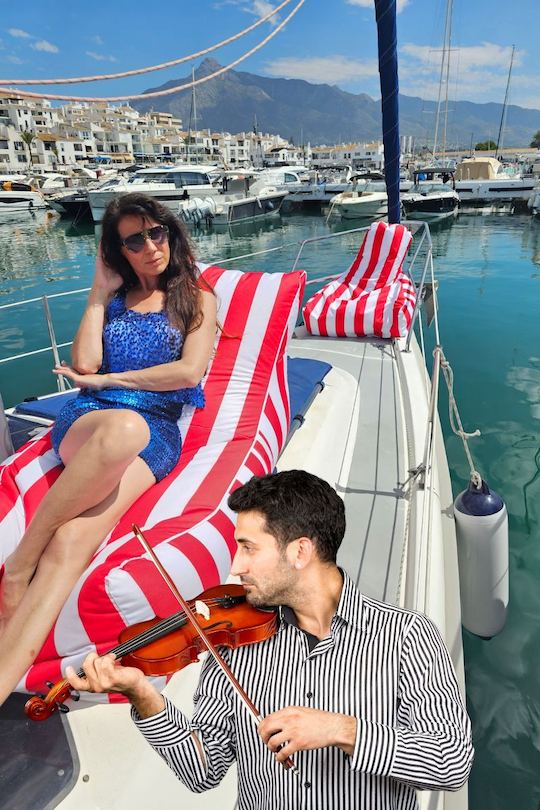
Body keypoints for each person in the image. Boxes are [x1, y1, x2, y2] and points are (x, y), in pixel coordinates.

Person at [66, 470, 474, 809]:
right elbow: (202, 771)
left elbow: (453, 763)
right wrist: (141, 693)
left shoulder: (406, 636)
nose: (235, 566)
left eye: (248, 548)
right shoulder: (234, 645)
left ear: (300, 552)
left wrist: (342, 729)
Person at [0, 193, 216, 705]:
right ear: (118, 251)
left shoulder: (198, 297)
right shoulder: (114, 301)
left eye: (156, 232)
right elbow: (84, 361)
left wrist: (111, 378)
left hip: (156, 431)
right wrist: (98, 293)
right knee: (122, 429)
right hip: (92, 423)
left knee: (75, 542)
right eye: (134, 240)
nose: (150, 246)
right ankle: (22, 561)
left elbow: (188, 373)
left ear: (170, 233)